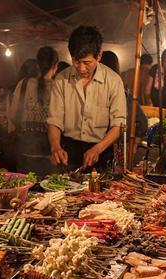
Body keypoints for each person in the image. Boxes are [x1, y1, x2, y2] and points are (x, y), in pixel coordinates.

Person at [47, 26, 127, 171]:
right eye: (76, 61)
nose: (82, 68)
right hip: (69, 152)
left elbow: (118, 125)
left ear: (99, 56)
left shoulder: (113, 81)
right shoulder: (61, 79)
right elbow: (54, 120)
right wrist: (56, 147)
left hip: (102, 151)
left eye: (87, 62)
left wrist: (98, 148)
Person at [8, 46, 59, 176]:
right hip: (50, 154)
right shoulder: (58, 87)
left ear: (38, 64)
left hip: (24, 151)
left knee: (26, 190)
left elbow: (13, 115)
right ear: (55, 66)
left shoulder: (23, 84)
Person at [101, 50, 148, 163]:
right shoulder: (125, 93)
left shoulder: (99, 91)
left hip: (101, 147)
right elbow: (143, 122)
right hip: (121, 148)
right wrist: (135, 144)